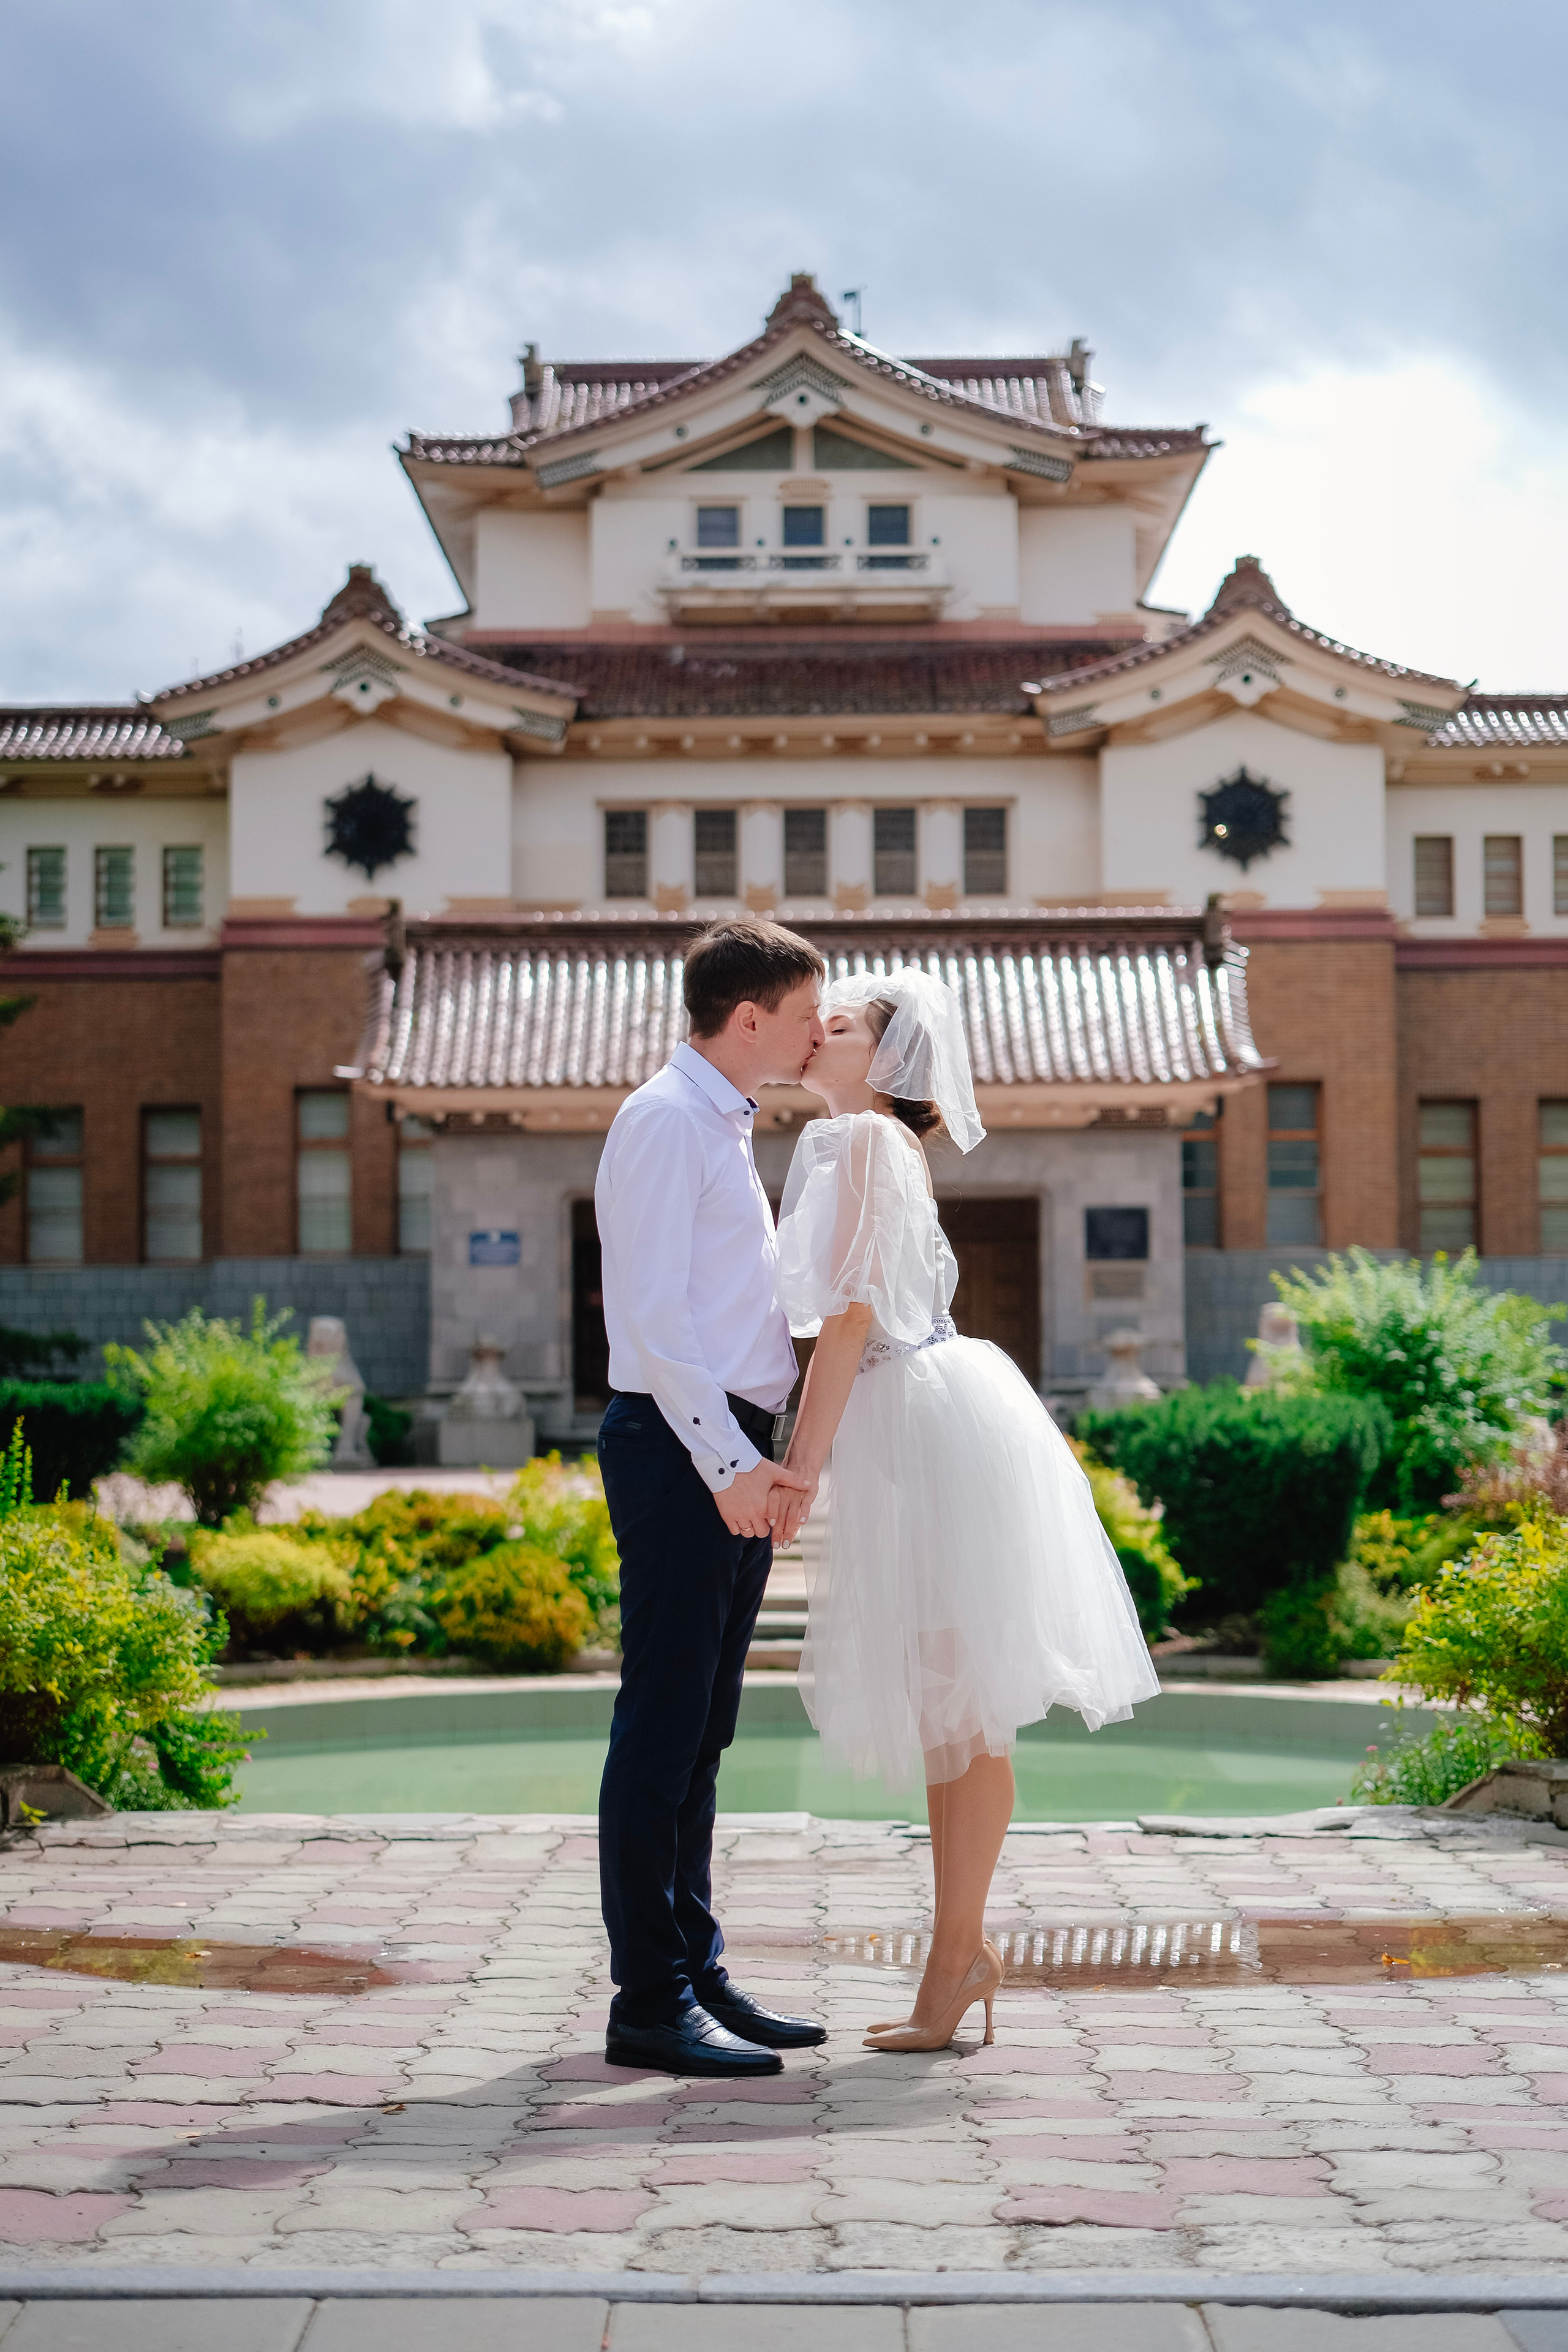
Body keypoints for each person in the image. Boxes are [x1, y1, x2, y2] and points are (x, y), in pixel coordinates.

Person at [772, 968, 1159, 2051]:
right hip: (927, 1418)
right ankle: (960, 1956)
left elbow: (849, 1321)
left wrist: (800, 1466)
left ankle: (956, 1961)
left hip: (924, 1423)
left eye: (836, 1026)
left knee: (963, 1706)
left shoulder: (862, 1143)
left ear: (886, 1061)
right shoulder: (872, 1146)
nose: (816, 1033)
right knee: (953, 1706)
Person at [594, 916, 828, 2078]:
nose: (815, 1033)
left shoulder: (722, 1123)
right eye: (803, 1016)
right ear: (749, 1018)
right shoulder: (664, 1122)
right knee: (662, 1729)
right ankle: (648, 2004)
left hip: (733, 1444)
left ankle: (695, 1969)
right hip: (683, 1449)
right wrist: (727, 1465)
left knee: (707, 1732)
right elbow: (653, 1320)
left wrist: (764, 1449)